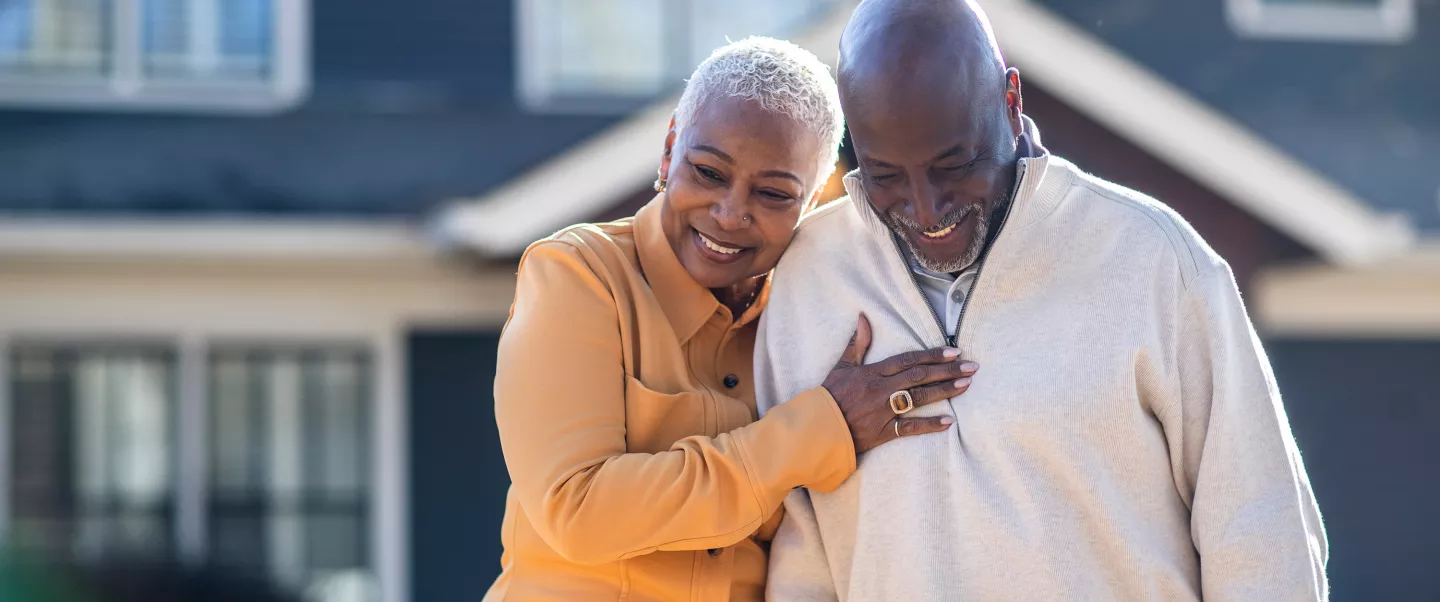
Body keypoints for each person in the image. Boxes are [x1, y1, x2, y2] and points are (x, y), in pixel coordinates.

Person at [755, 1, 1329, 600]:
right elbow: (802, 560)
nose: (925, 210)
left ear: (1010, 100)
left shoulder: (1154, 259)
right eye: (886, 175)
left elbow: (1262, 535)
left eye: (954, 163)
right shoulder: (807, 279)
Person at [485, 37, 979, 601]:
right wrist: (819, 430)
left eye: (772, 193)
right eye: (709, 173)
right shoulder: (578, 276)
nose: (731, 213)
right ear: (670, 150)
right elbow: (579, 510)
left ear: (813, 201)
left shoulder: (809, 316)